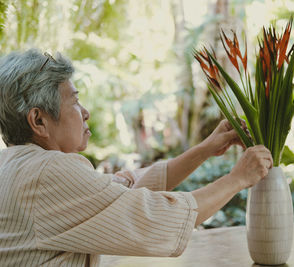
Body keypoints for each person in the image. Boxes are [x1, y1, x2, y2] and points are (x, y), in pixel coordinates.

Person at [0, 49, 273, 266]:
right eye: (74, 101)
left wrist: (205, 148)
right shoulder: (47, 171)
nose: (85, 112)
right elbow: (157, 217)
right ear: (38, 120)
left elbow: (123, 188)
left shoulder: (17, 165)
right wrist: (238, 179)